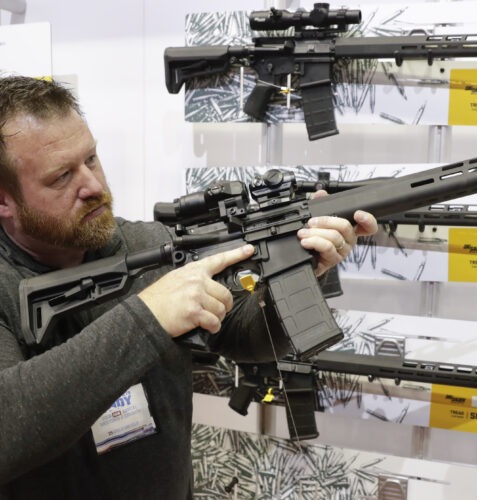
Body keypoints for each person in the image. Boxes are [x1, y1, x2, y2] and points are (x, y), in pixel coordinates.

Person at [0, 75, 378, 499]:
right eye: (61, 177)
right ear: (4, 200)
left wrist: (302, 269)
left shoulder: (146, 243)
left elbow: (240, 336)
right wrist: (148, 318)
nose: (92, 186)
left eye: (91, 159)